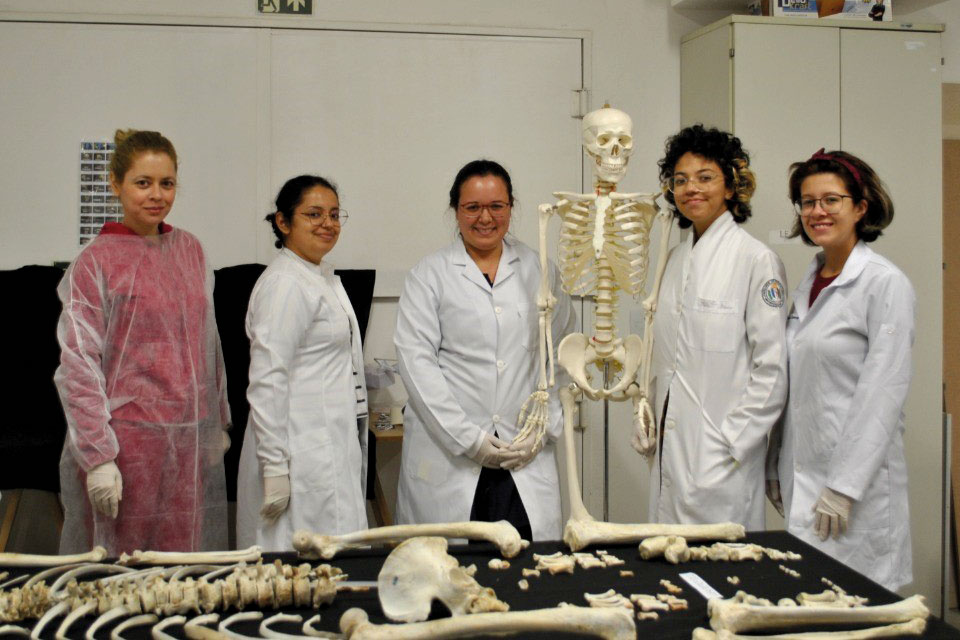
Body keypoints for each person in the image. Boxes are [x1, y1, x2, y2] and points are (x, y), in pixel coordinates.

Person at [55, 129, 229, 555]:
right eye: (143, 183)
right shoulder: (95, 261)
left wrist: (215, 423)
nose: (157, 195)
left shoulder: (190, 250)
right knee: (123, 563)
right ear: (116, 184)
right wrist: (98, 456)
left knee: (181, 562)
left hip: (187, 435)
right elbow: (79, 362)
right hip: (127, 439)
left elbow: (209, 345)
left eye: (166, 183)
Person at [394, 159, 576, 541]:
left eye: (497, 206)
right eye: (472, 207)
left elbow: (560, 354)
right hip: (453, 458)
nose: (485, 218)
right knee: (453, 574)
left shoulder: (540, 269)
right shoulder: (429, 275)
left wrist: (545, 427)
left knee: (528, 569)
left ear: (511, 207)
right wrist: (469, 440)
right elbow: (417, 366)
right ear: (455, 211)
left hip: (524, 453)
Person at [766, 149, 914, 591]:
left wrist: (845, 486)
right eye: (808, 202)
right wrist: (774, 463)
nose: (817, 212)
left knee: (858, 611)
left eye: (831, 200)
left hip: (856, 489)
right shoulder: (807, 283)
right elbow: (792, 387)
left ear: (861, 206)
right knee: (810, 607)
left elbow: (882, 393)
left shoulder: (884, 283)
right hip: (804, 474)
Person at [646, 125, 788, 530]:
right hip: (671, 451)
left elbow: (772, 369)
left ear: (731, 187)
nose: (691, 188)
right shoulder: (674, 260)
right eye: (680, 180)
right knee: (671, 572)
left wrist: (731, 442)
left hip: (722, 457)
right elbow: (667, 356)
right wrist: (648, 413)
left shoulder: (756, 261)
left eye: (705, 177)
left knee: (724, 576)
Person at [236, 175, 368, 551]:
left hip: (326, 444)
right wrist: (275, 467)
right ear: (283, 222)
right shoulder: (286, 284)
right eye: (313, 214)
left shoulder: (317, 276)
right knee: (296, 567)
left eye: (334, 214)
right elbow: (266, 378)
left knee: (333, 560)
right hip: (298, 451)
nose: (327, 223)